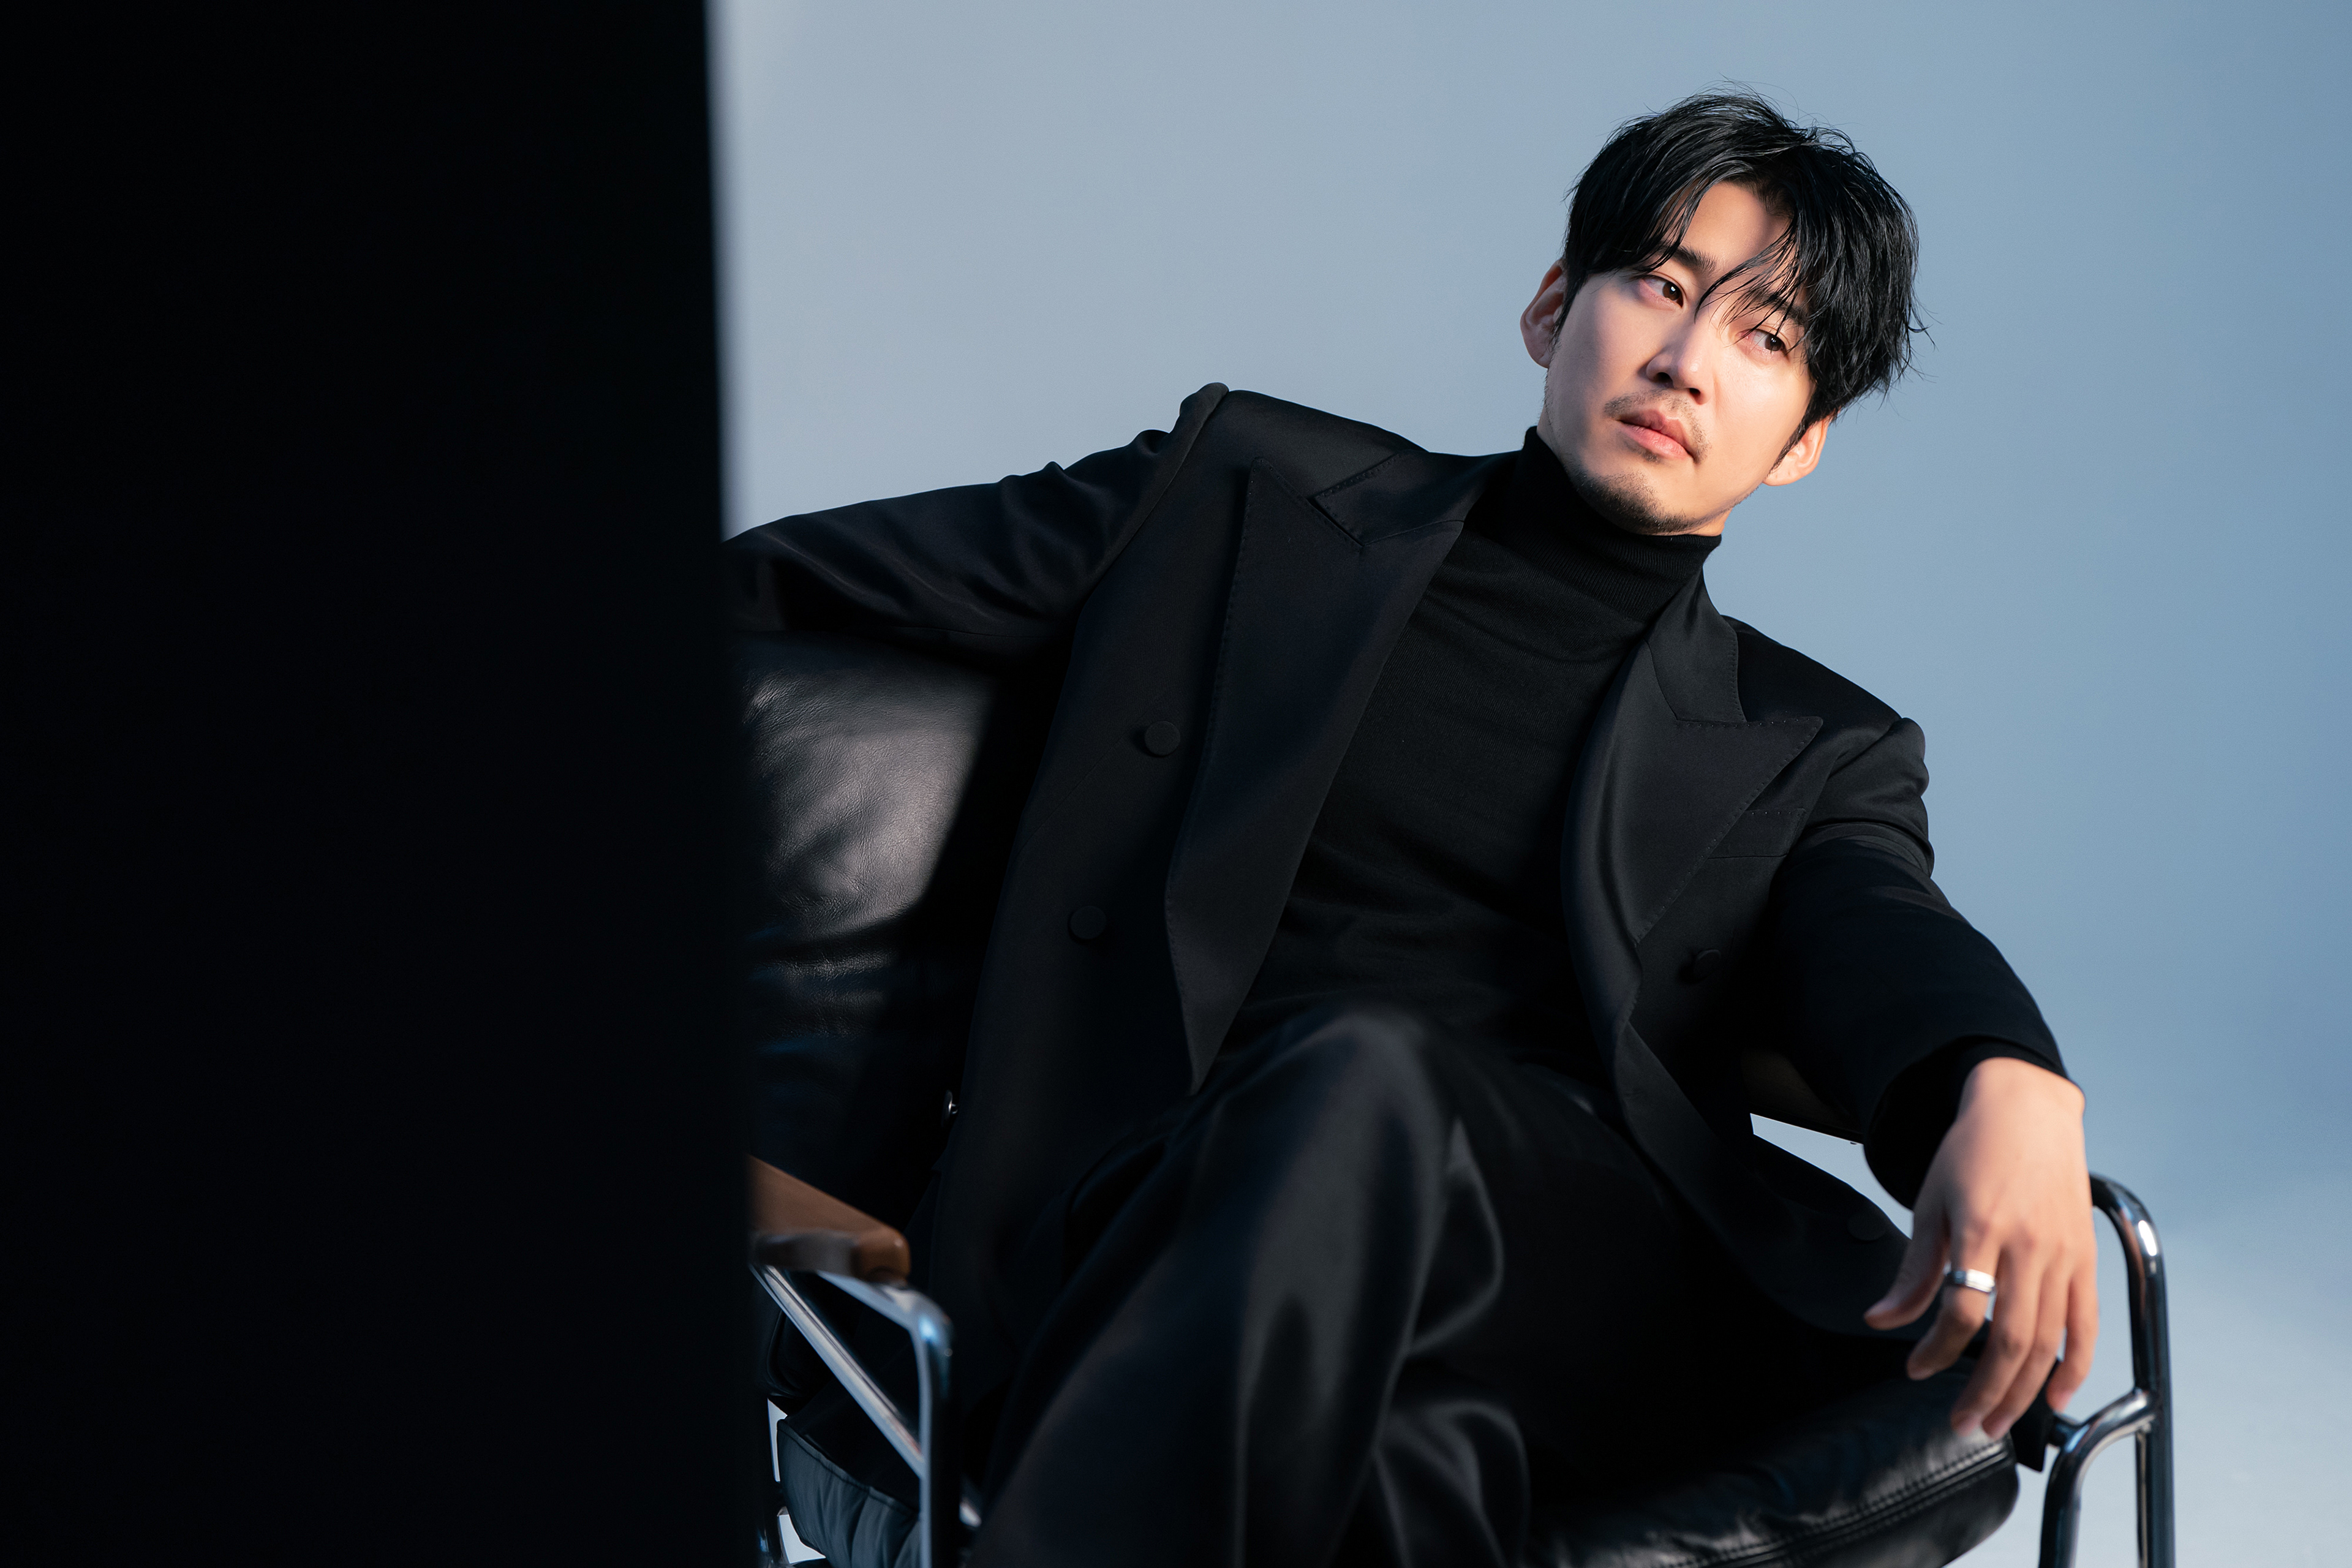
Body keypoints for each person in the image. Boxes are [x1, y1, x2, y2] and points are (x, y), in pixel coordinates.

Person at [733, 92, 2098, 1567]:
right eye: (1661, 285)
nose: (1688, 360)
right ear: (1552, 309)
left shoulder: (1815, 742)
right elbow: (775, 585)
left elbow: (1880, 927)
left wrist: (2010, 1074)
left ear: (1803, 442)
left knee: (1380, 1092)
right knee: (1407, 1412)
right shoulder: (1242, 493)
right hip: (1160, 1231)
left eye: (1766, 339)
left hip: (1576, 1286)